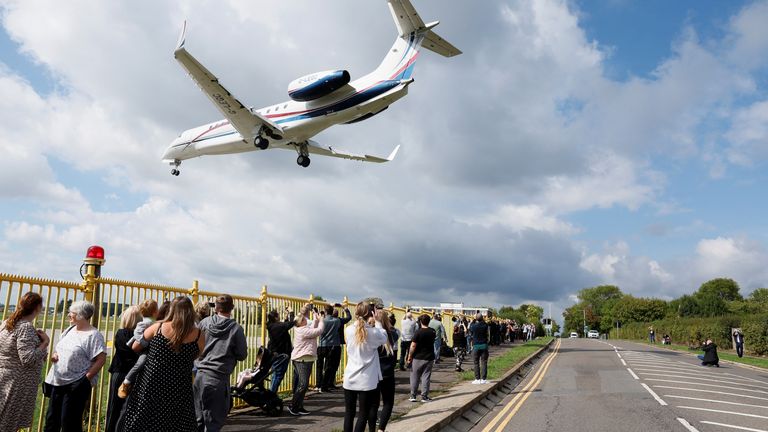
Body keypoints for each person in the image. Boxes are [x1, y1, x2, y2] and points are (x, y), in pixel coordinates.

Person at [120, 296, 206, 432]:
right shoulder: (198, 335)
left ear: (172, 310)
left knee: (146, 418)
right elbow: (197, 354)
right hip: (180, 384)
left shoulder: (158, 327)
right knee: (177, 420)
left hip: (152, 382)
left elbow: (136, 346)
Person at [44, 300, 107, 432]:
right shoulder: (70, 330)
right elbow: (60, 348)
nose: (68, 316)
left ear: (81, 315)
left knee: (69, 422)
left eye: (71, 313)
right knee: (51, 420)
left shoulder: (94, 335)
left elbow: (101, 360)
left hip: (76, 384)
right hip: (58, 381)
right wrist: (55, 354)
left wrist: (85, 379)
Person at [194, 294, 248, 432]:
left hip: (200, 375)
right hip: (218, 377)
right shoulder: (236, 329)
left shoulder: (204, 323)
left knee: (198, 418)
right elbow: (242, 355)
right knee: (214, 421)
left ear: (216, 307)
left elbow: (195, 345)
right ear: (232, 308)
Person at [0, 292, 49, 432]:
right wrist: (45, 343)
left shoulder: (7, 323)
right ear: (37, 307)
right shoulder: (25, 327)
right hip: (18, 382)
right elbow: (27, 358)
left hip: (6, 376)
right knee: (8, 423)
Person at [342, 303, 387, 432]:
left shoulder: (348, 329)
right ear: (371, 314)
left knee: (349, 413)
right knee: (363, 414)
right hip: (366, 380)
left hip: (350, 377)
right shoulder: (373, 332)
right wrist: (378, 322)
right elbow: (384, 338)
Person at [105, 306, 141, 432]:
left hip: (119, 371)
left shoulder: (120, 333)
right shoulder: (140, 336)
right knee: (129, 408)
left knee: (114, 406)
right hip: (134, 373)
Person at [288, 304, 325, 416]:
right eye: (304, 319)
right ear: (301, 323)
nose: (305, 319)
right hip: (302, 359)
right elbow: (319, 330)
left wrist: (315, 317)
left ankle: (299, 406)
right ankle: (294, 407)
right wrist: (321, 320)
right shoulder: (303, 331)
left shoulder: (302, 328)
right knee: (303, 384)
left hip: (304, 359)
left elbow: (313, 327)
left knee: (303, 384)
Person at [118, 299, 159, 398]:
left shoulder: (154, 322)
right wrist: (143, 342)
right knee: (141, 362)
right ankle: (126, 382)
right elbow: (137, 333)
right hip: (145, 349)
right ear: (154, 312)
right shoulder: (146, 322)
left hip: (152, 348)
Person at [368, 310, 397, 432]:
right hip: (388, 373)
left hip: (374, 373)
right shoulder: (393, 334)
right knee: (388, 403)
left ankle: (371, 429)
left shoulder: (370, 335)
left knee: (373, 405)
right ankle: (381, 429)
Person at [317, 303, 352, 392]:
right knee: (329, 367)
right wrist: (345, 308)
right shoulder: (337, 321)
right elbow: (348, 318)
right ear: (333, 312)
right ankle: (326, 384)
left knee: (319, 366)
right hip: (333, 345)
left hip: (322, 345)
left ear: (325, 312)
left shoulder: (322, 320)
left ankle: (319, 384)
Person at [407, 314, 436, 402]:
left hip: (417, 357)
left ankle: (413, 396)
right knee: (426, 376)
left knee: (414, 376)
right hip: (429, 357)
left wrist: (409, 356)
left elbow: (413, 346)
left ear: (420, 322)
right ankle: (424, 396)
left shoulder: (418, 332)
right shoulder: (432, 331)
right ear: (429, 321)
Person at [266, 306, 295, 394]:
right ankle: (271, 395)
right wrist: (291, 312)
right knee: (278, 375)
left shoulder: (271, 325)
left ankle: (272, 393)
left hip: (275, 353)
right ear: (275, 317)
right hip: (281, 354)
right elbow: (291, 323)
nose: (279, 317)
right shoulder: (278, 326)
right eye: (278, 316)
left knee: (275, 374)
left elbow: (284, 326)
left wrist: (286, 317)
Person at [469, 312, 490, 384]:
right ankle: (484, 379)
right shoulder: (485, 325)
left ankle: (477, 379)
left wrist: (473, 320)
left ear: (476, 319)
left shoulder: (473, 326)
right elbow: (488, 335)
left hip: (476, 346)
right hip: (484, 345)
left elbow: (470, 332)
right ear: (482, 318)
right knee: (484, 362)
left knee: (476, 363)